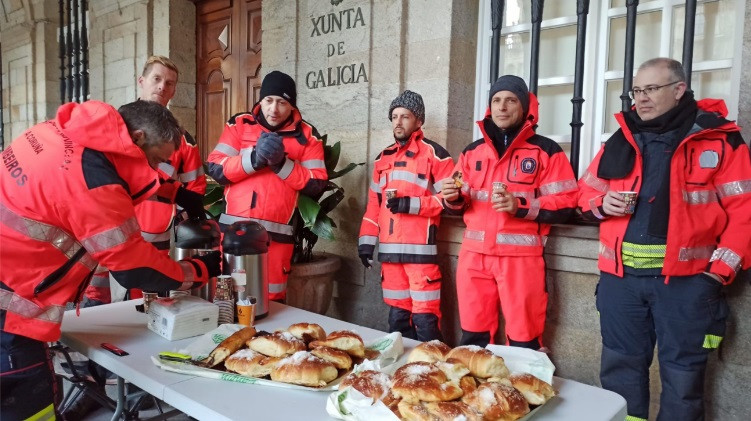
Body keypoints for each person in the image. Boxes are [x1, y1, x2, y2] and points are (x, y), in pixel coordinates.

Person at [0, 100, 222, 421]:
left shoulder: (56, 132)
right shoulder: (94, 182)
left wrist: (176, 193)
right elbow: (134, 269)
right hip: (11, 314)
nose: (158, 168)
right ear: (140, 137)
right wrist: (199, 270)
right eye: (158, 159)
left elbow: (115, 174)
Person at [578, 57, 751, 421]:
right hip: (621, 283)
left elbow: (745, 212)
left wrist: (719, 272)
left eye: (651, 89)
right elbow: (582, 194)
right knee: (618, 375)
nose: (641, 98)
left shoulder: (719, 139)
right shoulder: (620, 140)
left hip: (687, 285)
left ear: (679, 90)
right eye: (637, 91)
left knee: (683, 380)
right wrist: (601, 203)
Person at [441, 75, 578, 350]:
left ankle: (519, 391)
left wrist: (522, 207)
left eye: (511, 100)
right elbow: (457, 202)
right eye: (496, 100)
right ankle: (476, 391)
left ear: (524, 107)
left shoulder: (546, 151)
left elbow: (567, 203)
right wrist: (452, 198)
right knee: (473, 339)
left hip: (521, 261)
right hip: (474, 257)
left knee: (524, 339)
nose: (502, 107)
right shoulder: (471, 152)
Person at [84, 55, 207, 305]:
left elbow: (194, 189)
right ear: (142, 81)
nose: (162, 87)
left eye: (170, 83)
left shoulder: (184, 139)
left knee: (143, 300)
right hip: (106, 225)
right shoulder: (116, 125)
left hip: (153, 233)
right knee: (97, 294)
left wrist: (179, 214)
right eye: (157, 79)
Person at [207, 70, 327, 302]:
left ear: (292, 105)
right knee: (227, 302)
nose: (274, 109)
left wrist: (281, 164)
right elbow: (216, 168)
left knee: (272, 305)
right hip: (234, 236)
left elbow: (317, 184)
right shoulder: (239, 125)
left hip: (276, 242)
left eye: (282, 102)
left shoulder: (308, 136)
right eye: (269, 101)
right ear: (260, 100)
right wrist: (254, 159)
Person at [357, 90, 454, 342]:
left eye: (405, 116)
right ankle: (403, 375)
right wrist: (366, 244)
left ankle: (432, 373)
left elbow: (450, 201)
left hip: (420, 256)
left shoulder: (436, 154)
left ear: (418, 122)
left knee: (426, 321)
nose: (398, 122)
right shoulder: (382, 158)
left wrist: (410, 205)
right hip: (390, 256)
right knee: (398, 320)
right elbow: (373, 206)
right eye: (394, 116)